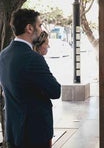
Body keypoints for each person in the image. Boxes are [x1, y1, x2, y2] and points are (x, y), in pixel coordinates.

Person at [0, 9, 61, 148]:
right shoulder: (33, 58)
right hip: (34, 134)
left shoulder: (3, 55)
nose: (41, 30)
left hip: (13, 132)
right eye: (39, 25)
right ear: (29, 28)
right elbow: (55, 91)